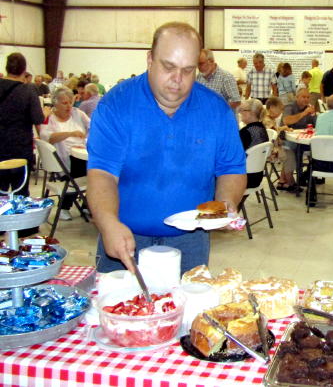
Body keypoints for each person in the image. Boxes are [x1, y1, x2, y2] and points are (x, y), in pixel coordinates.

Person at [86, 22, 246, 274]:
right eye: (168, 67)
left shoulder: (217, 111)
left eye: (188, 70)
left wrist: (225, 204)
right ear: (150, 59)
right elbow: (102, 174)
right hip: (124, 234)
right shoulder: (116, 105)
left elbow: (231, 168)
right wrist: (108, 224)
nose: (177, 80)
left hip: (191, 240)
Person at [0, 53, 45, 236]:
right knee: (21, 190)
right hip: (20, 146)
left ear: (6, 67)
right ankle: (23, 227)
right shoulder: (28, 91)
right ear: (24, 70)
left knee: (1, 189)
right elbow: (38, 118)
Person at [40, 87, 91, 221]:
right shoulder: (50, 118)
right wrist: (70, 133)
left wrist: (87, 139)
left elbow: (93, 127)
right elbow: (46, 137)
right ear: (55, 103)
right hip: (62, 158)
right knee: (81, 168)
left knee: (100, 169)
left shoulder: (78, 114)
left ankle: (87, 204)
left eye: (70, 102)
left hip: (81, 152)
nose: (69, 106)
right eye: (64, 103)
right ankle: (65, 207)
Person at [280, 87, 317, 193]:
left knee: (315, 149)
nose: (306, 99)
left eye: (308, 97)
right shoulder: (290, 106)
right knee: (292, 148)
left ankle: (305, 176)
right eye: (303, 97)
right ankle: (290, 179)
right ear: (297, 97)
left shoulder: (309, 108)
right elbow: (287, 121)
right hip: (286, 138)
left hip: (302, 138)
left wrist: (314, 115)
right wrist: (304, 113)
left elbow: (316, 124)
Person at [238, 99, 269, 189]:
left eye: (242, 110)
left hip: (243, 178)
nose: (240, 113)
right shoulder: (262, 128)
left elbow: (235, 155)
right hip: (257, 176)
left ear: (250, 113)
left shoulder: (246, 132)